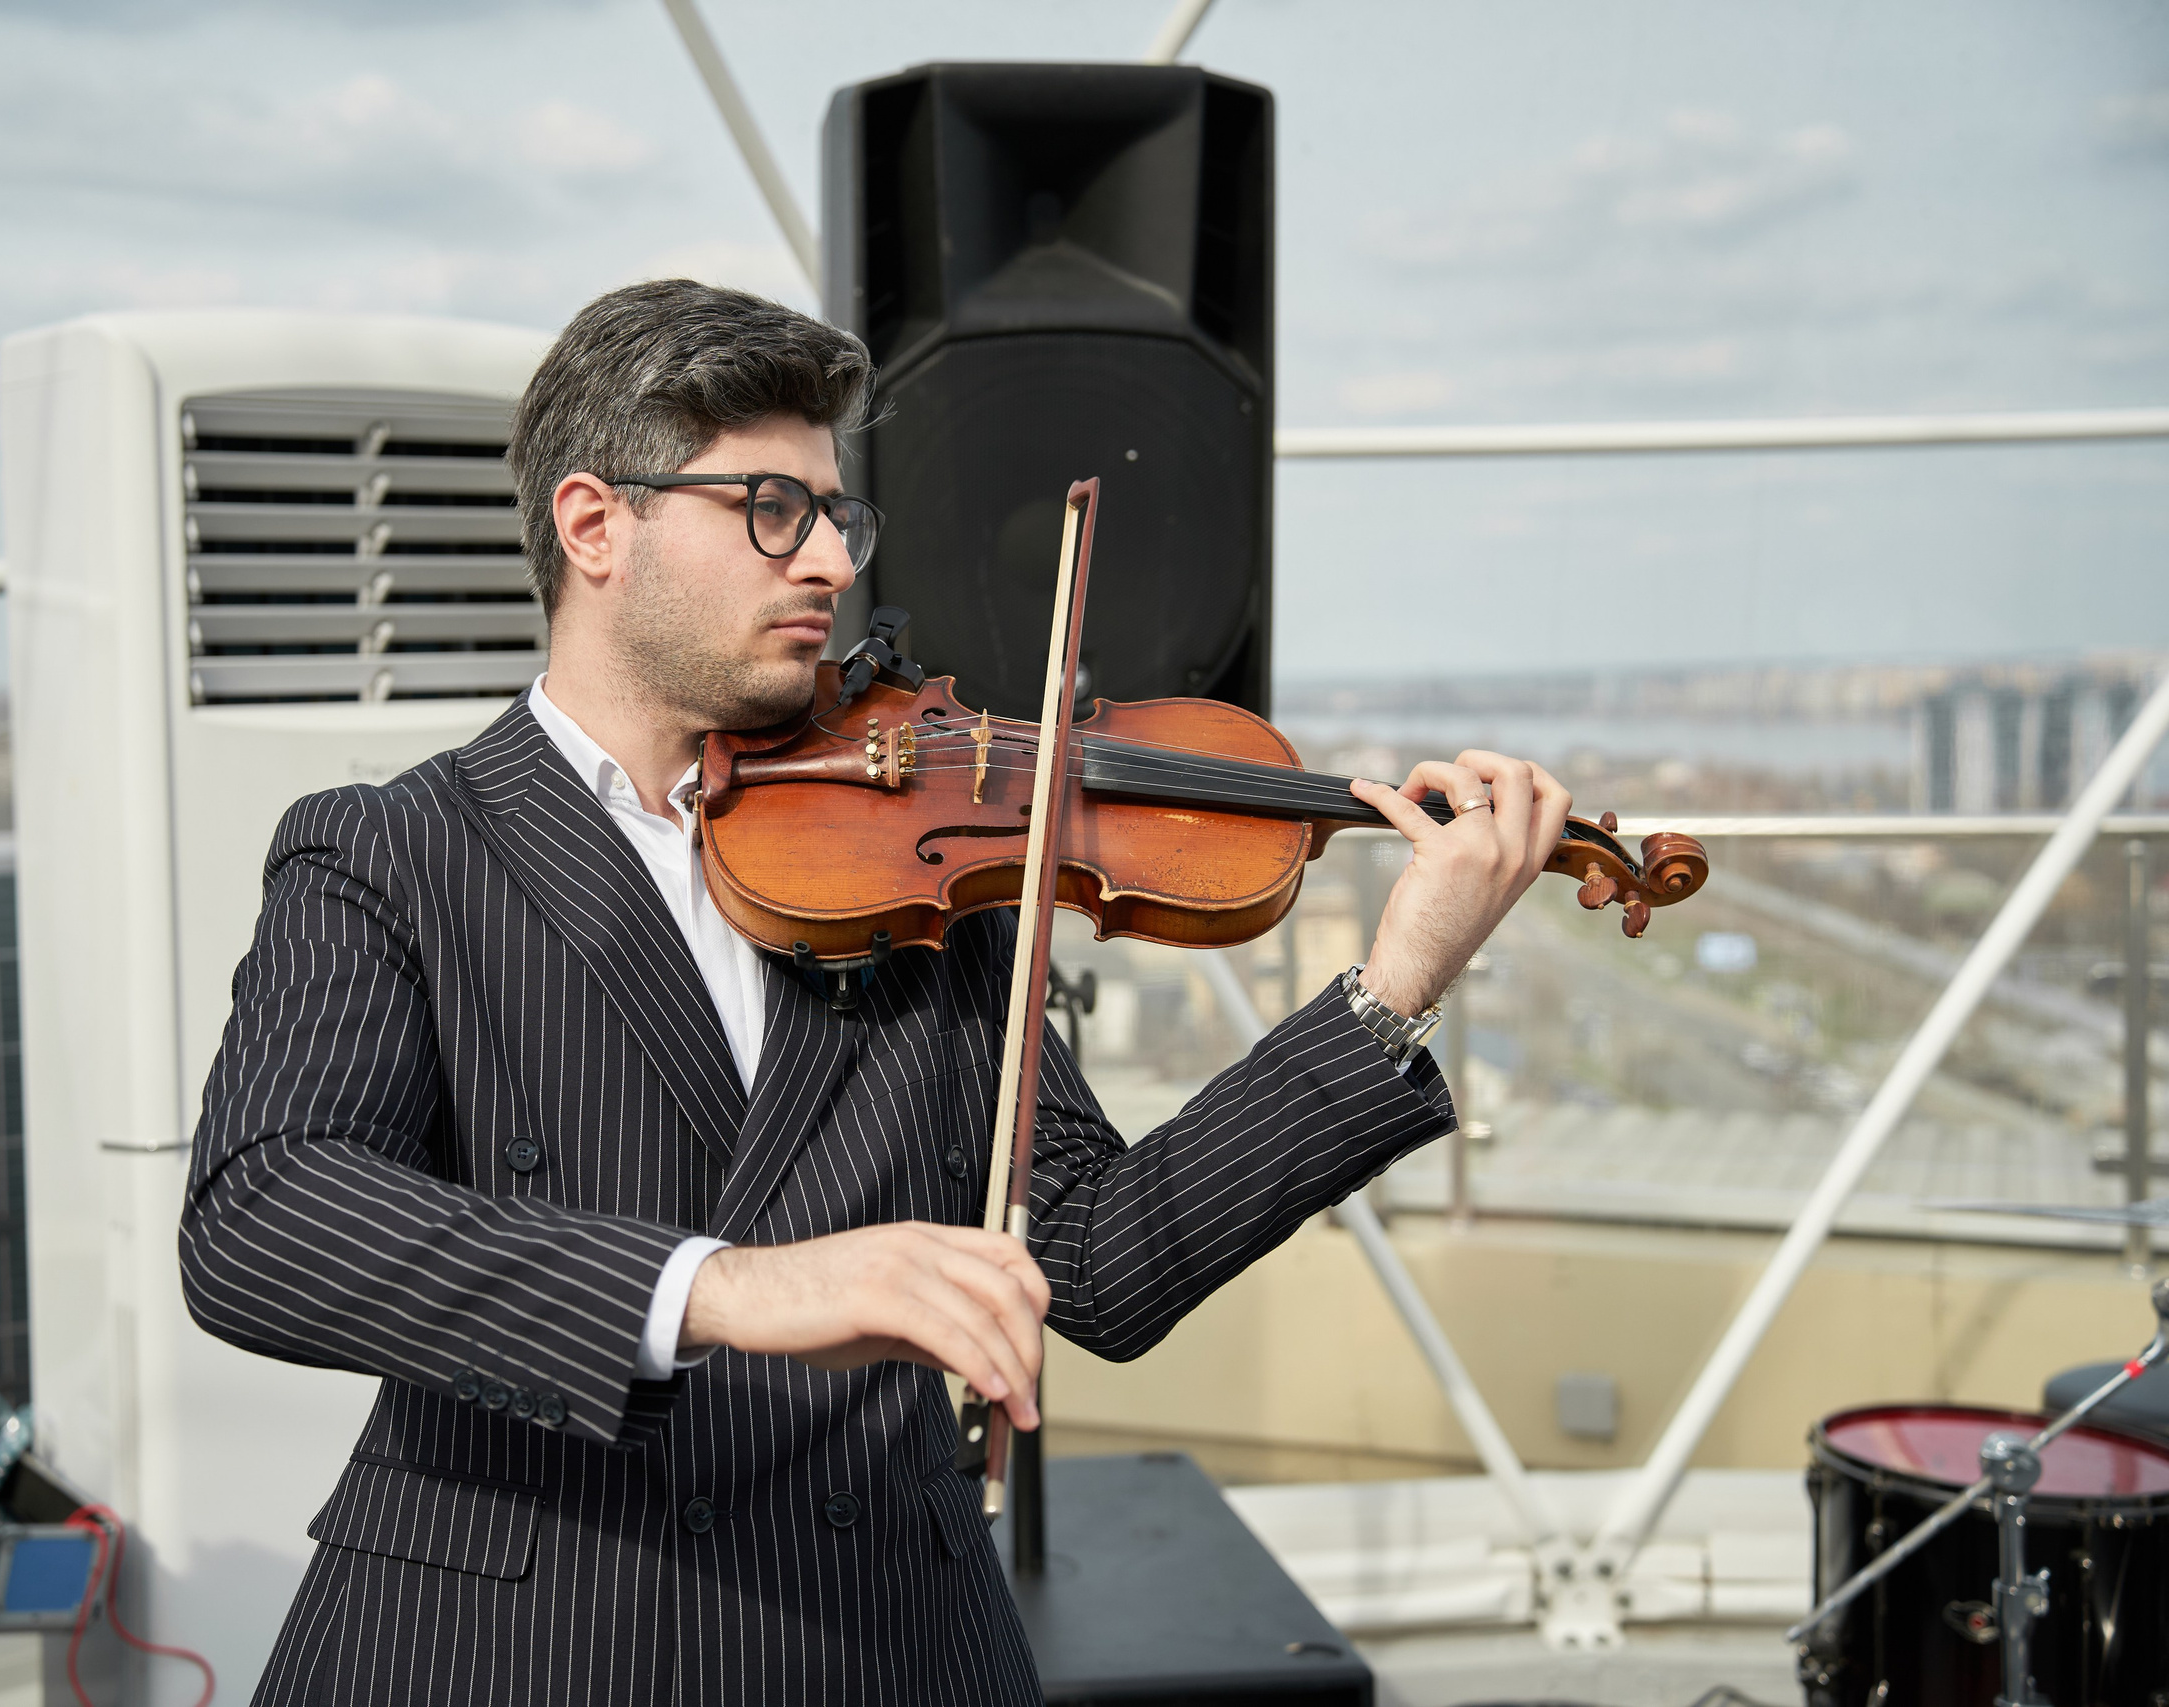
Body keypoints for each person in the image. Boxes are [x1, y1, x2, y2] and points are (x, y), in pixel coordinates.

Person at [180, 278, 1570, 1706]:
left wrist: (1397, 983)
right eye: (772, 509)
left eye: (838, 514)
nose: (833, 562)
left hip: (877, 1638)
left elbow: (1100, 1262)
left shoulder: (917, 854)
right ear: (595, 526)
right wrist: (728, 1288)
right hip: (525, 1645)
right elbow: (260, 1218)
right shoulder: (392, 851)